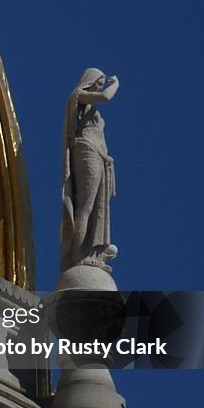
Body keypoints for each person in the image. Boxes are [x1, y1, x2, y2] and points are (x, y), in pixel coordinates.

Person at [60, 67, 120, 272]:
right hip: (87, 151)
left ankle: (91, 252)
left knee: (96, 207)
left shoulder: (89, 106)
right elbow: (105, 96)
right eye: (99, 81)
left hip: (99, 156)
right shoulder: (79, 96)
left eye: (102, 82)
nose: (100, 86)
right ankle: (78, 255)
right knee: (85, 206)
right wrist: (116, 84)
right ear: (90, 80)